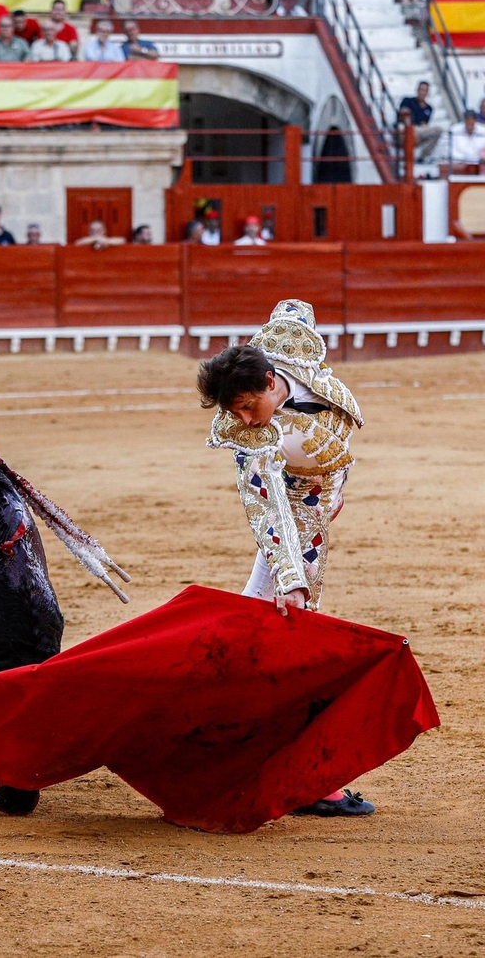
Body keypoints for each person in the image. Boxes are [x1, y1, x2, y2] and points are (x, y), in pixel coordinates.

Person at [195, 301, 376, 820]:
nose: (245, 420)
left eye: (249, 406)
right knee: (287, 635)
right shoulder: (256, 441)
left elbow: (294, 314)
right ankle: (303, 780)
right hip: (296, 527)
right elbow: (269, 505)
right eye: (235, 413)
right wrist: (291, 576)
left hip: (318, 500)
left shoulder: (284, 351)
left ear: (273, 380)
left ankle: (226, 750)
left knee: (255, 629)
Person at [398, 81, 444, 160]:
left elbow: (424, 124)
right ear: (417, 90)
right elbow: (404, 115)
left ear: (427, 93)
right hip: (406, 128)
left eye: (425, 90)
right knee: (402, 128)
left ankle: (423, 157)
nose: (422, 92)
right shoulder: (407, 100)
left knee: (438, 130)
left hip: (419, 130)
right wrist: (411, 130)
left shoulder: (429, 108)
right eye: (421, 89)